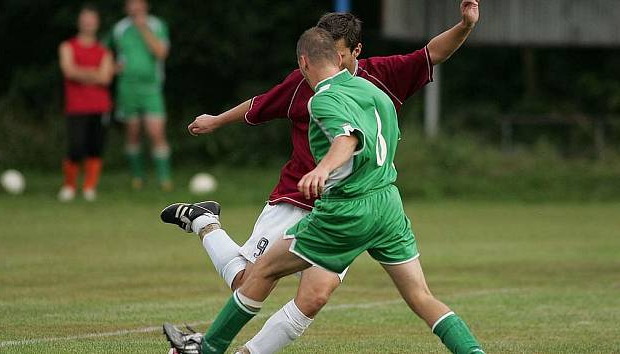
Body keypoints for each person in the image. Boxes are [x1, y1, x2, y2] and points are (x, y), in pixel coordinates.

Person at [164, 1, 480, 353]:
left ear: (349, 52)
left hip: (342, 208)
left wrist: (323, 168)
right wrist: (218, 120)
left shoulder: (338, 92)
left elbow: (347, 137)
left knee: (286, 285)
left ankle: (206, 349)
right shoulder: (370, 93)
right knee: (252, 281)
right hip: (351, 202)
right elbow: (261, 104)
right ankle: (205, 222)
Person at [108, 0, 172, 190]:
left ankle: (164, 179)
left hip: (152, 88)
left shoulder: (157, 25)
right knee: (133, 133)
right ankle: (137, 178)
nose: (135, 7)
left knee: (156, 132)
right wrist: (112, 67)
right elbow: (106, 52)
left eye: (138, 3)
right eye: (131, 4)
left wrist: (143, 28)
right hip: (127, 88)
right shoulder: (119, 28)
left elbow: (161, 53)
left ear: (146, 5)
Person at [58, 4, 114, 202]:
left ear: (97, 23)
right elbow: (69, 71)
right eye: (85, 18)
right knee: (75, 147)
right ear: (79, 21)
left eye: (92, 19)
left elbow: (106, 78)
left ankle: (90, 187)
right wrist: (94, 73)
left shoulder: (104, 51)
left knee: (95, 147)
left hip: (100, 106)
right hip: (76, 106)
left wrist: (81, 72)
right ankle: (70, 186)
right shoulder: (67, 46)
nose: (88, 22)